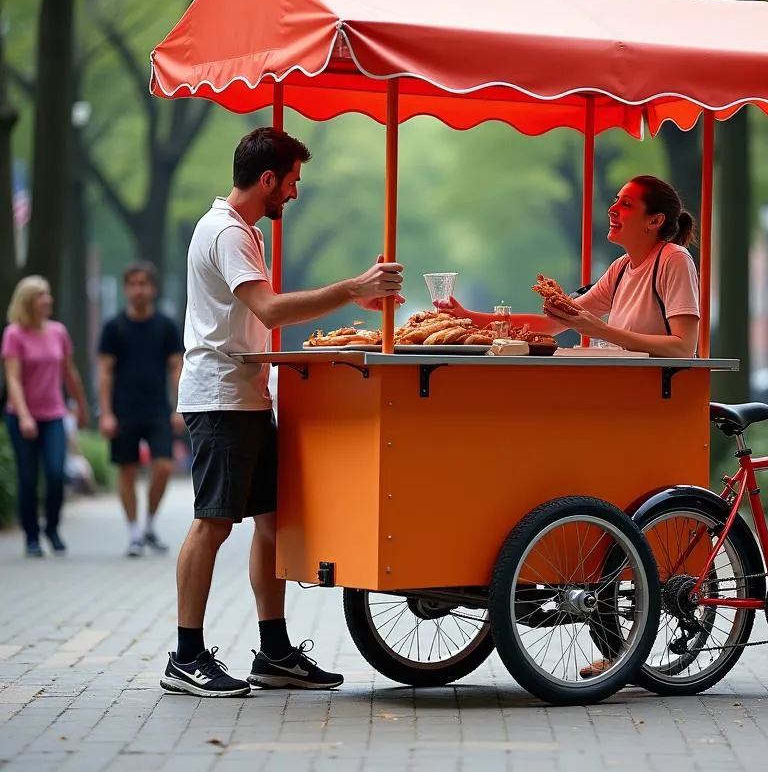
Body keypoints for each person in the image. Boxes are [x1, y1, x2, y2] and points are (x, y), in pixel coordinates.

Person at [162, 126, 405, 699]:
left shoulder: (244, 231)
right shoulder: (226, 231)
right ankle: (186, 655)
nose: (293, 195)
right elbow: (269, 306)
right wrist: (351, 288)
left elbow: (261, 316)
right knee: (213, 523)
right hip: (221, 395)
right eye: (291, 182)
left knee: (271, 522)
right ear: (268, 179)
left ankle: (273, 651)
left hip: (248, 391)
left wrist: (352, 299)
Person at [441, 174, 700, 359]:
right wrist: (469, 317)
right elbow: (550, 324)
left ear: (655, 220)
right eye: (616, 200)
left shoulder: (674, 259)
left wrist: (602, 330)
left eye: (626, 204)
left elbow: (683, 349)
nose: (612, 209)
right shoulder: (620, 268)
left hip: (663, 399)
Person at [97, 261, 185, 557]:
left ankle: (149, 525)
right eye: (133, 284)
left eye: (144, 284)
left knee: (163, 466)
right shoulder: (114, 328)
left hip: (157, 409)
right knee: (127, 470)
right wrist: (106, 413)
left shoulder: (165, 326)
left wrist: (180, 407)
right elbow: (105, 372)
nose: (139, 289)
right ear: (126, 289)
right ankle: (134, 533)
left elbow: (176, 367)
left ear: (153, 288)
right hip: (123, 411)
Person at [2, 276, 91, 557]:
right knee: (28, 478)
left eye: (48, 294)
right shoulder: (14, 334)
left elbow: (69, 372)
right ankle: (31, 536)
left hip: (53, 415)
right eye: (42, 295)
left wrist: (81, 405)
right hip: (21, 417)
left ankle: (52, 528)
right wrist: (25, 416)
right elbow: (13, 380)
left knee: (55, 473)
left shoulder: (58, 332)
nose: (48, 300)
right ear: (28, 301)